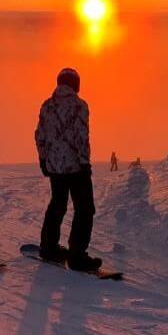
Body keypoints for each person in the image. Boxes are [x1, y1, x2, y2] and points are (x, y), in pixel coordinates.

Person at [34, 67, 102, 271]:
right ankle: (77, 255)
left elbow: (40, 136)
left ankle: (48, 247)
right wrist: (84, 162)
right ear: (75, 84)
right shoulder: (79, 106)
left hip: (55, 167)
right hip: (75, 166)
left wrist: (44, 160)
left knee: (58, 204)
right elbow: (81, 136)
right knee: (84, 209)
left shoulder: (47, 106)